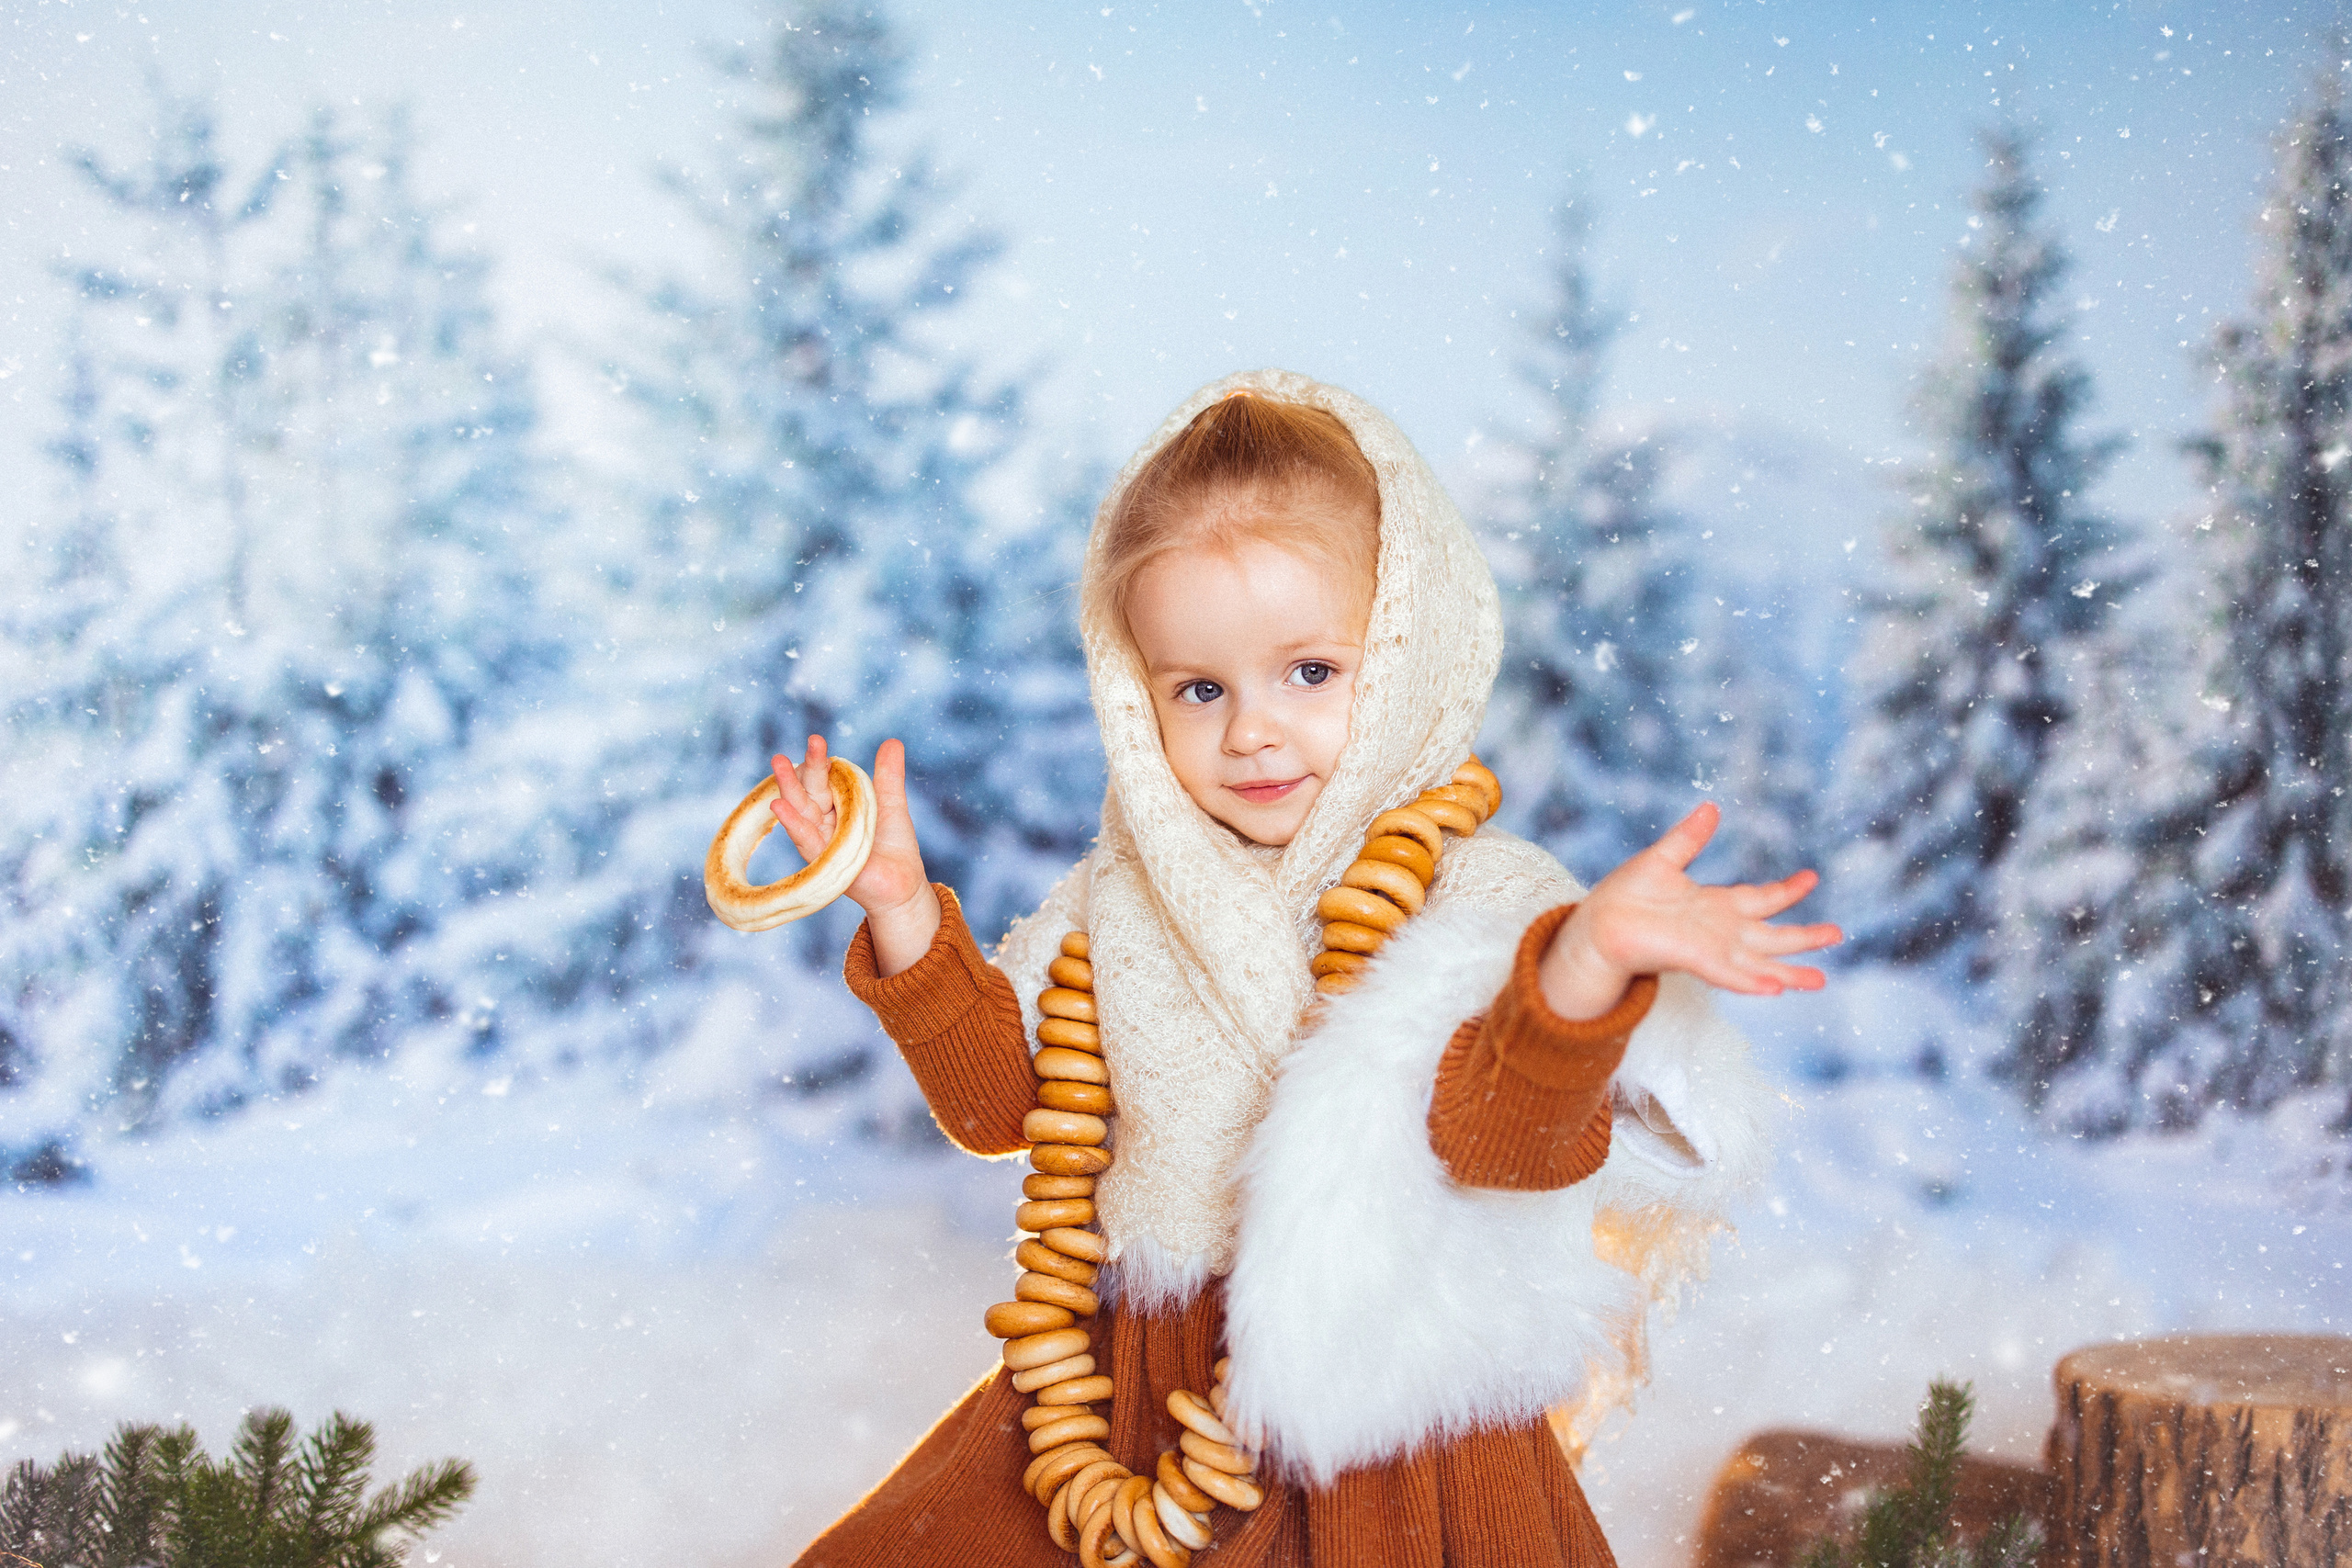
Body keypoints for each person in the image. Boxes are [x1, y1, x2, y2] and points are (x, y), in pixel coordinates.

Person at [765, 370, 1838, 1566]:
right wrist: (907, 913)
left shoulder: (1481, 902)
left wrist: (1585, 967)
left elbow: (1509, 1140)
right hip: (1136, 1413)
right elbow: (999, 1104)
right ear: (1136, 695)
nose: (1251, 730)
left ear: (1407, 653)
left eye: (1310, 672)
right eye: (1200, 688)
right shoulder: (1118, 900)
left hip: (1392, 1446)